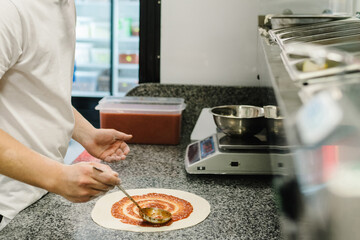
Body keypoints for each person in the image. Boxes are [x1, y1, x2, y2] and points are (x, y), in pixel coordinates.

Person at [0, 0, 132, 231]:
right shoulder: (8, 10)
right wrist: (57, 176)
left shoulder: (64, 5)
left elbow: (39, 91)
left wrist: (86, 133)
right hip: (6, 203)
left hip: (39, 193)